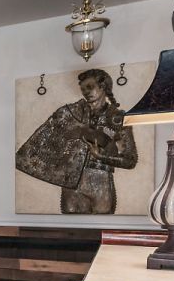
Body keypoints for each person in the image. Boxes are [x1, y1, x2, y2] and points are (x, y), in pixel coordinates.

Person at [15, 68, 137, 214]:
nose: (86, 92)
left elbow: (130, 161)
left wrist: (101, 157)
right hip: (71, 184)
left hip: (101, 182)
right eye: (83, 89)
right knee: (70, 225)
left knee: (101, 225)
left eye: (90, 87)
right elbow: (50, 140)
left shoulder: (117, 118)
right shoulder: (71, 113)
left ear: (103, 86)